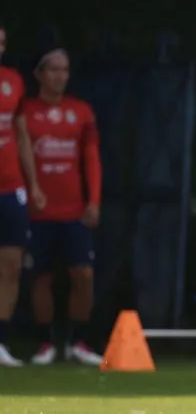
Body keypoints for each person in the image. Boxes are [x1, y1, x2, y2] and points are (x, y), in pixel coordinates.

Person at [22, 48, 104, 366]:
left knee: (83, 275)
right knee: (39, 277)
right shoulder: (26, 112)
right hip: (38, 211)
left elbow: (91, 159)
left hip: (74, 211)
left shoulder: (81, 112)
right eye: (53, 70)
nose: (60, 76)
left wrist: (93, 201)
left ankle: (77, 341)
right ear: (39, 74)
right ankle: (45, 344)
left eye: (65, 70)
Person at [0, 25, 46, 367]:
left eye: (2, 42)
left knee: (11, 266)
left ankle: (0, 342)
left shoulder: (13, 81)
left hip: (10, 186)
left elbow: (21, 134)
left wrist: (33, 184)